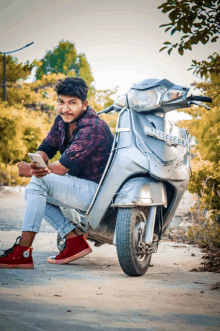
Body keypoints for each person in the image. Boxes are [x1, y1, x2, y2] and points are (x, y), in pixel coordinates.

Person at [0, 77, 113, 269]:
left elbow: (62, 167)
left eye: (72, 103)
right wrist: (36, 161)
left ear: (84, 105)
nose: (65, 108)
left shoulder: (93, 127)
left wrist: (31, 170)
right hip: (78, 187)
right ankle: (73, 240)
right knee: (32, 191)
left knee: (38, 183)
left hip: (98, 194)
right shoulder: (61, 121)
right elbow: (47, 147)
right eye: (61, 102)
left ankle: (23, 251)